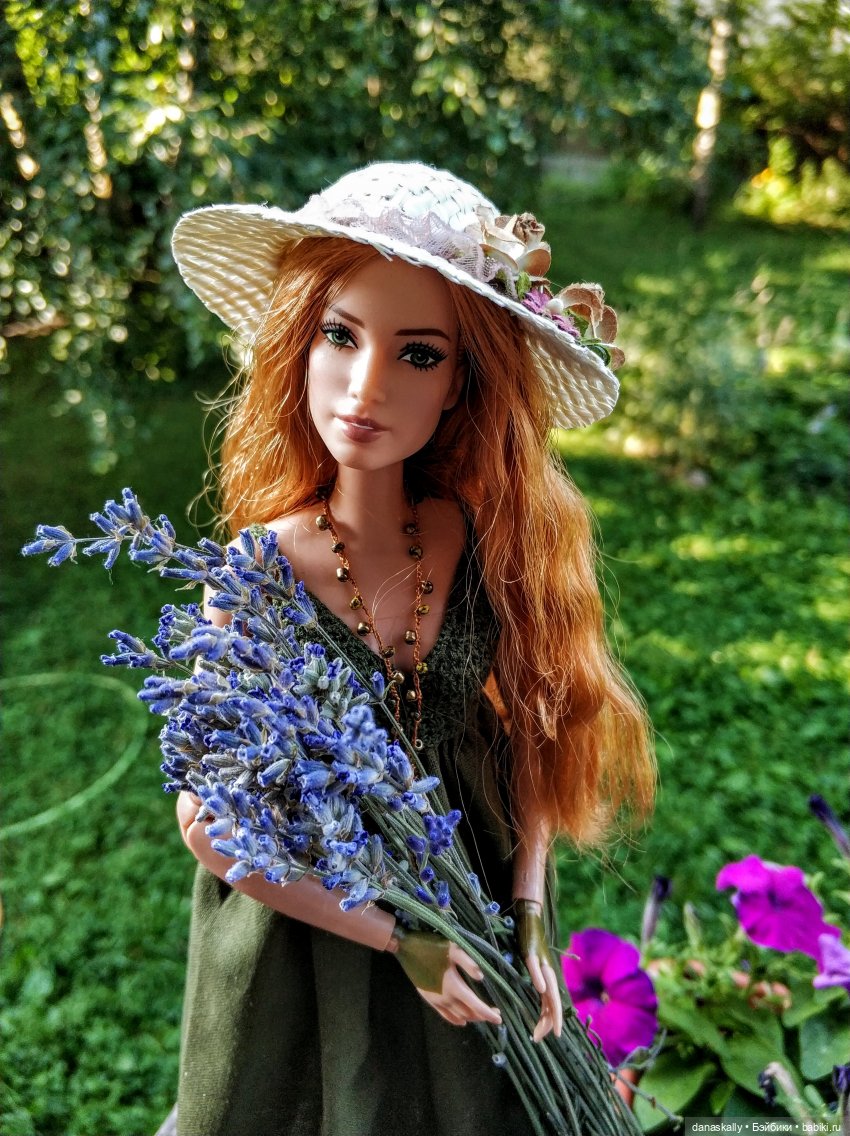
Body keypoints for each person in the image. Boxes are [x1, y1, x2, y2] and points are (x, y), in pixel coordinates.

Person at [169, 161, 655, 1136]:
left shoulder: (476, 543)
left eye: (419, 354)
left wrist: (527, 909)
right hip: (308, 930)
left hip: (476, 899)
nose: (365, 386)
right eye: (339, 335)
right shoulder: (257, 574)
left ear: (461, 386)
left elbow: (532, 738)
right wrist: (396, 937)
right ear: (297, 344)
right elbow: (210, 822)